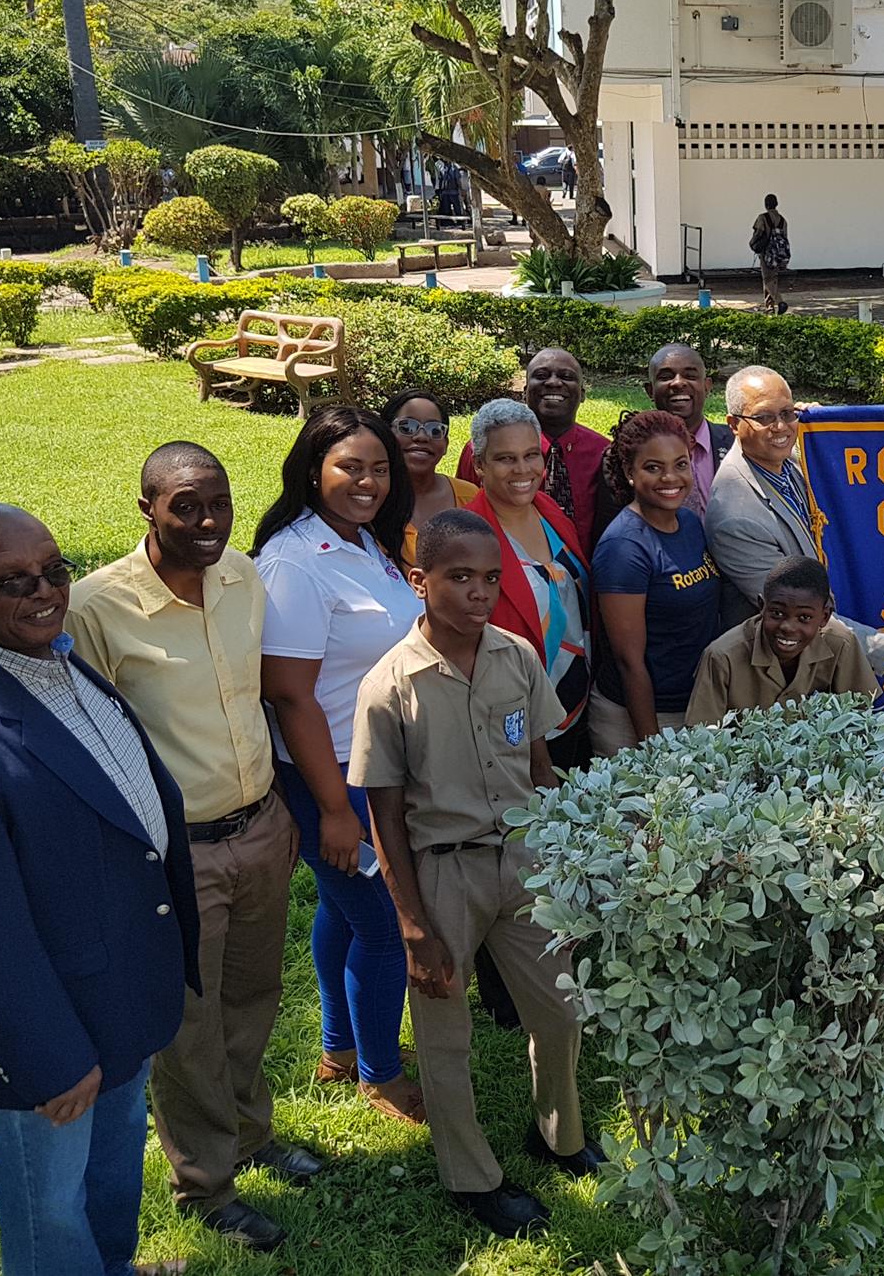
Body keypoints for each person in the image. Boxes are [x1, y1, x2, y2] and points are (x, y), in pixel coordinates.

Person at [0, 504, 197, 1276]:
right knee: (50, 1204)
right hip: (52, 1032)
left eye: (54, 570)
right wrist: (50, 1059)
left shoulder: (50, 657)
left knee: (112, 1168)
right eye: (15, 580)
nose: (45, 591)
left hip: (115, 993)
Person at [66, 446, 316, 1254]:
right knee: (187, 1023)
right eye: (186, 505)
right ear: (147, 507)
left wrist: (282, 812)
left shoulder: (242, 575)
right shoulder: (96, 607)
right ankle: (206, 1181)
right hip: (176, 854)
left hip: (260, 827)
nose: (208, 521)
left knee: (253, 995)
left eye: (219, 502)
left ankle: (251, 1134)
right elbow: (85, 741)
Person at [352, 510, 599, 1239]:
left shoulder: (517, 656)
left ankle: (559, 1134)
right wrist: (412, 925)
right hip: (444, 874)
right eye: (459, 577)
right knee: (445, 1033)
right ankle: (471, 1175)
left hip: (523, 860)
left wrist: (567, 850)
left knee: (560, 1009)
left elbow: (540, 765)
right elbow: (384, 816)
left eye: (491, 577)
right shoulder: (390, 685)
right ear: (419, 580)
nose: (479, 592)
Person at [253, 408, 426, 1123]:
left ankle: (341, 1048)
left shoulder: (363, 539)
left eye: (379, 468)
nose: (368, 482)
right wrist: (331, 809)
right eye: (350, 467)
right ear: (312, 469)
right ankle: (381, 1075)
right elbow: (290, 696)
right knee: (383, 922)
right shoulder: (294, 562)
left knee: (344, 908)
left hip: (374, 764)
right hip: (332, 773)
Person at [705, 363, 884, 675]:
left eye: (787, 413)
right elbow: (795, 612)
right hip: (784, 672)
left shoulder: (787, 459)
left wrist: (822, 431)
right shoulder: (734, 516)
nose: (780, 427)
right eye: (764, 418)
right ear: (734, 424)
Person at [462, 399, 592, 770]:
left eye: (531, 455)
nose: (522, 469)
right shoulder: (466, 537)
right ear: (480, 465)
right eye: (505, 458)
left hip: (575, 704)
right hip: (516, 727)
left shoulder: (550, 512)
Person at [591, 409, 724, 754]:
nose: (670, 477)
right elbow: (628, 662)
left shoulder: (689, 523)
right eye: (653, 467)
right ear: (629, 472)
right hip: (640, 720)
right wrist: (652, 751)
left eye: (680, 464)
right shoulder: (624, 548)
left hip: (694, 706)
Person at [686, 556, 880, 724]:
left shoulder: (841, 642)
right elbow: (703, 737)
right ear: (762, 606)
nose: (788, 627)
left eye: (804, 617)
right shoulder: (722, 657)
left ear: (825, 616)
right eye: (777, 613)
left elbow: (862, 720)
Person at [456, 348, 611, 554]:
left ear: (582, 394)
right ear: (525, 391)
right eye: (542, 375)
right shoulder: (482, 451)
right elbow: (465, 512)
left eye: (566, 376)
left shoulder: (604, 452)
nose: (554, 382)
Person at [641, 341, 734, 521]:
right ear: (650, 390)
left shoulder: (736, 443)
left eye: (690, 376)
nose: (678, 383)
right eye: (666, 376)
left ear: (707, 386)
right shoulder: (631, 453)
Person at [383, 385, 473, 565]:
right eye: (407, 427)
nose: (422, 437)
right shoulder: (372, 499)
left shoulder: (470, 496)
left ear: (446, 444)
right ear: (385, 434)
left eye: (435, 430)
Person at [751, 193, 792, 314]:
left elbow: (758, 233)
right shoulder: (783, 220)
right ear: (776, 204)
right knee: (773, 278)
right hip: (779, 254)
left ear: (766, 205)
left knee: (767, 279)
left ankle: (780, 302)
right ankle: (769, 306)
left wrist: (752, 243)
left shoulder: (762, 218)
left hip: (767, 252)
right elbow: (784, 237)